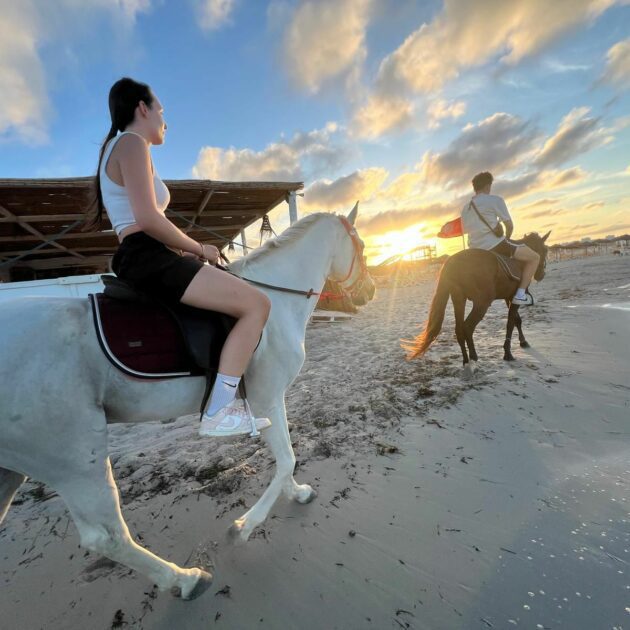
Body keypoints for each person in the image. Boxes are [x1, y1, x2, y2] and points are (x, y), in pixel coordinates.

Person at [90, 77, 272, 437]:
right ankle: (219, 410)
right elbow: (147, 218)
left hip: (147, 253)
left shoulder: (120, 146)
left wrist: (184, 249)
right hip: (146, 254)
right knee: (257, 304)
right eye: (161, 109)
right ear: (142, 108)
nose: (164, 119)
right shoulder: (131, 142)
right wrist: (197, 248)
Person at [460, 171, 539, 306]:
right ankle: (520, 295)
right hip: (495, 246)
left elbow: (467, 230)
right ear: (488, 185)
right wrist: (507, 237)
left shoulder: (465, 208)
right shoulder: (495, 200)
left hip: (473, 250)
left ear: (475, 188)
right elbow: (509, 225)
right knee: (534, 257)